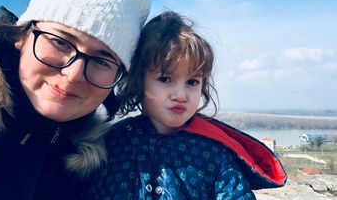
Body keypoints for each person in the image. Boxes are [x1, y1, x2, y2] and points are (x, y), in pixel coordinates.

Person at [0, 0, 152, 200]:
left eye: (102, 60)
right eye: (61, 42)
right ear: (21, 36)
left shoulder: (91, 169)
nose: (74, 74)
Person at [83, 11, 287, 199]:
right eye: (165, 79)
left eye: (192, 82)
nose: (181, 95)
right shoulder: (113, 143)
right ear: (138, 80)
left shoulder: (213, 151)